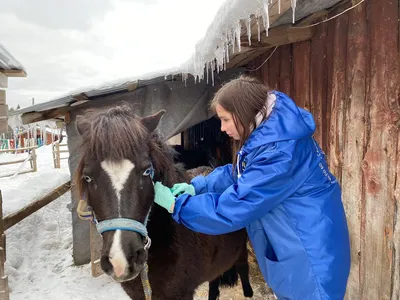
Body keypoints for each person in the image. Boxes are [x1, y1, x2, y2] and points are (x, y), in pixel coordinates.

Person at [154, 75, 351, 299]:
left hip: (309, 261)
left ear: (243, 113)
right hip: (299, 249)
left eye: (225, 119)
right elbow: (239, 174)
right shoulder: (269, 135)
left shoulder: (279, 153)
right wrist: (198, 185)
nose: (222, 128)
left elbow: (233, 208)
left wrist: (177, 205)